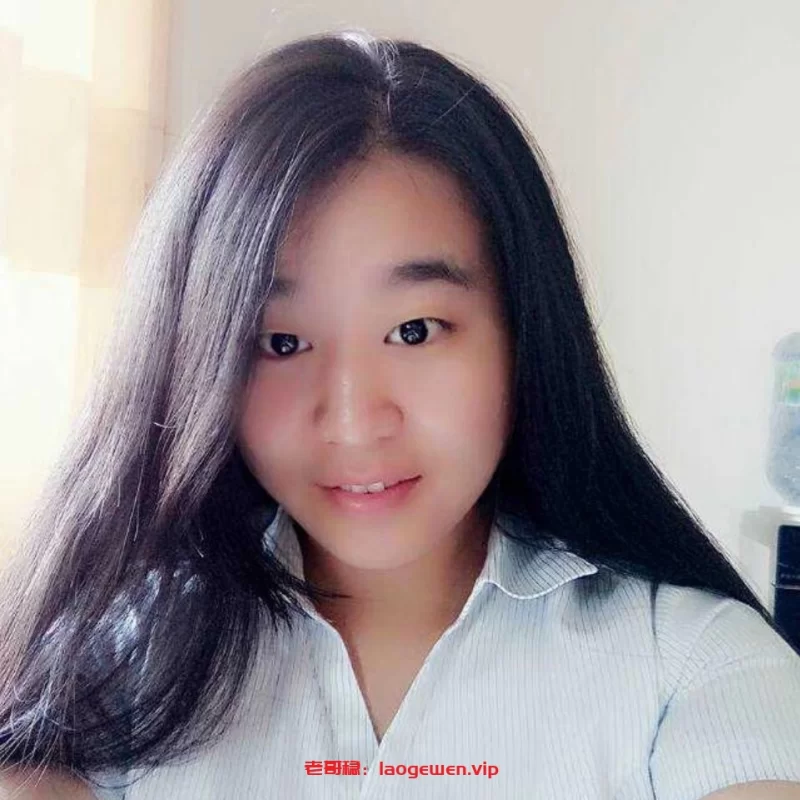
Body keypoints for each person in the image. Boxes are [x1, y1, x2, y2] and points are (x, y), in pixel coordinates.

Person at [0, 29, 799, 800]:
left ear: (522, 331)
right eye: (281, 342)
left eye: (415, 330)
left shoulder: (692, 665)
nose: (353, 422)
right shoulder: (109, 669)